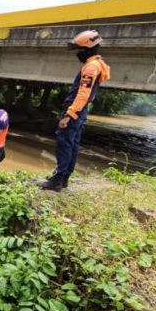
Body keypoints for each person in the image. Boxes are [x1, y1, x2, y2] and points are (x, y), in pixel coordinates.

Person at [40, 30, 111, 192]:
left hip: (75, 109)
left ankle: (57, 180)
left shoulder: (90, 68)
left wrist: (69, 115)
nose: (77, 54)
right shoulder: (96, 64)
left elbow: (83, 94)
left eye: (79, 50)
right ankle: (63, 178)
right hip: (81, 110)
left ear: (88, 49)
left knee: (64, 143)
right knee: (72, 144)